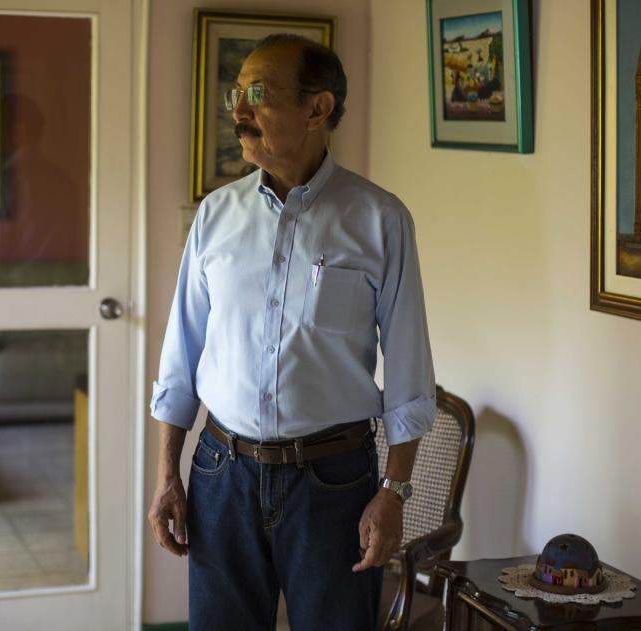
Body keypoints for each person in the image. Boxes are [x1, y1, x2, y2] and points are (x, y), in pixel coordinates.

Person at [148, 34, 435, 630]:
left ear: (317, 108)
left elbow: (409, 378)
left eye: (259, 94)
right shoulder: (214, 216)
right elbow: (181, 358)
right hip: (220, 473)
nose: (239, 112)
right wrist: (166, 474)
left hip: (333, 485)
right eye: (237, 94)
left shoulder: (380, 220)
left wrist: (394, 494)